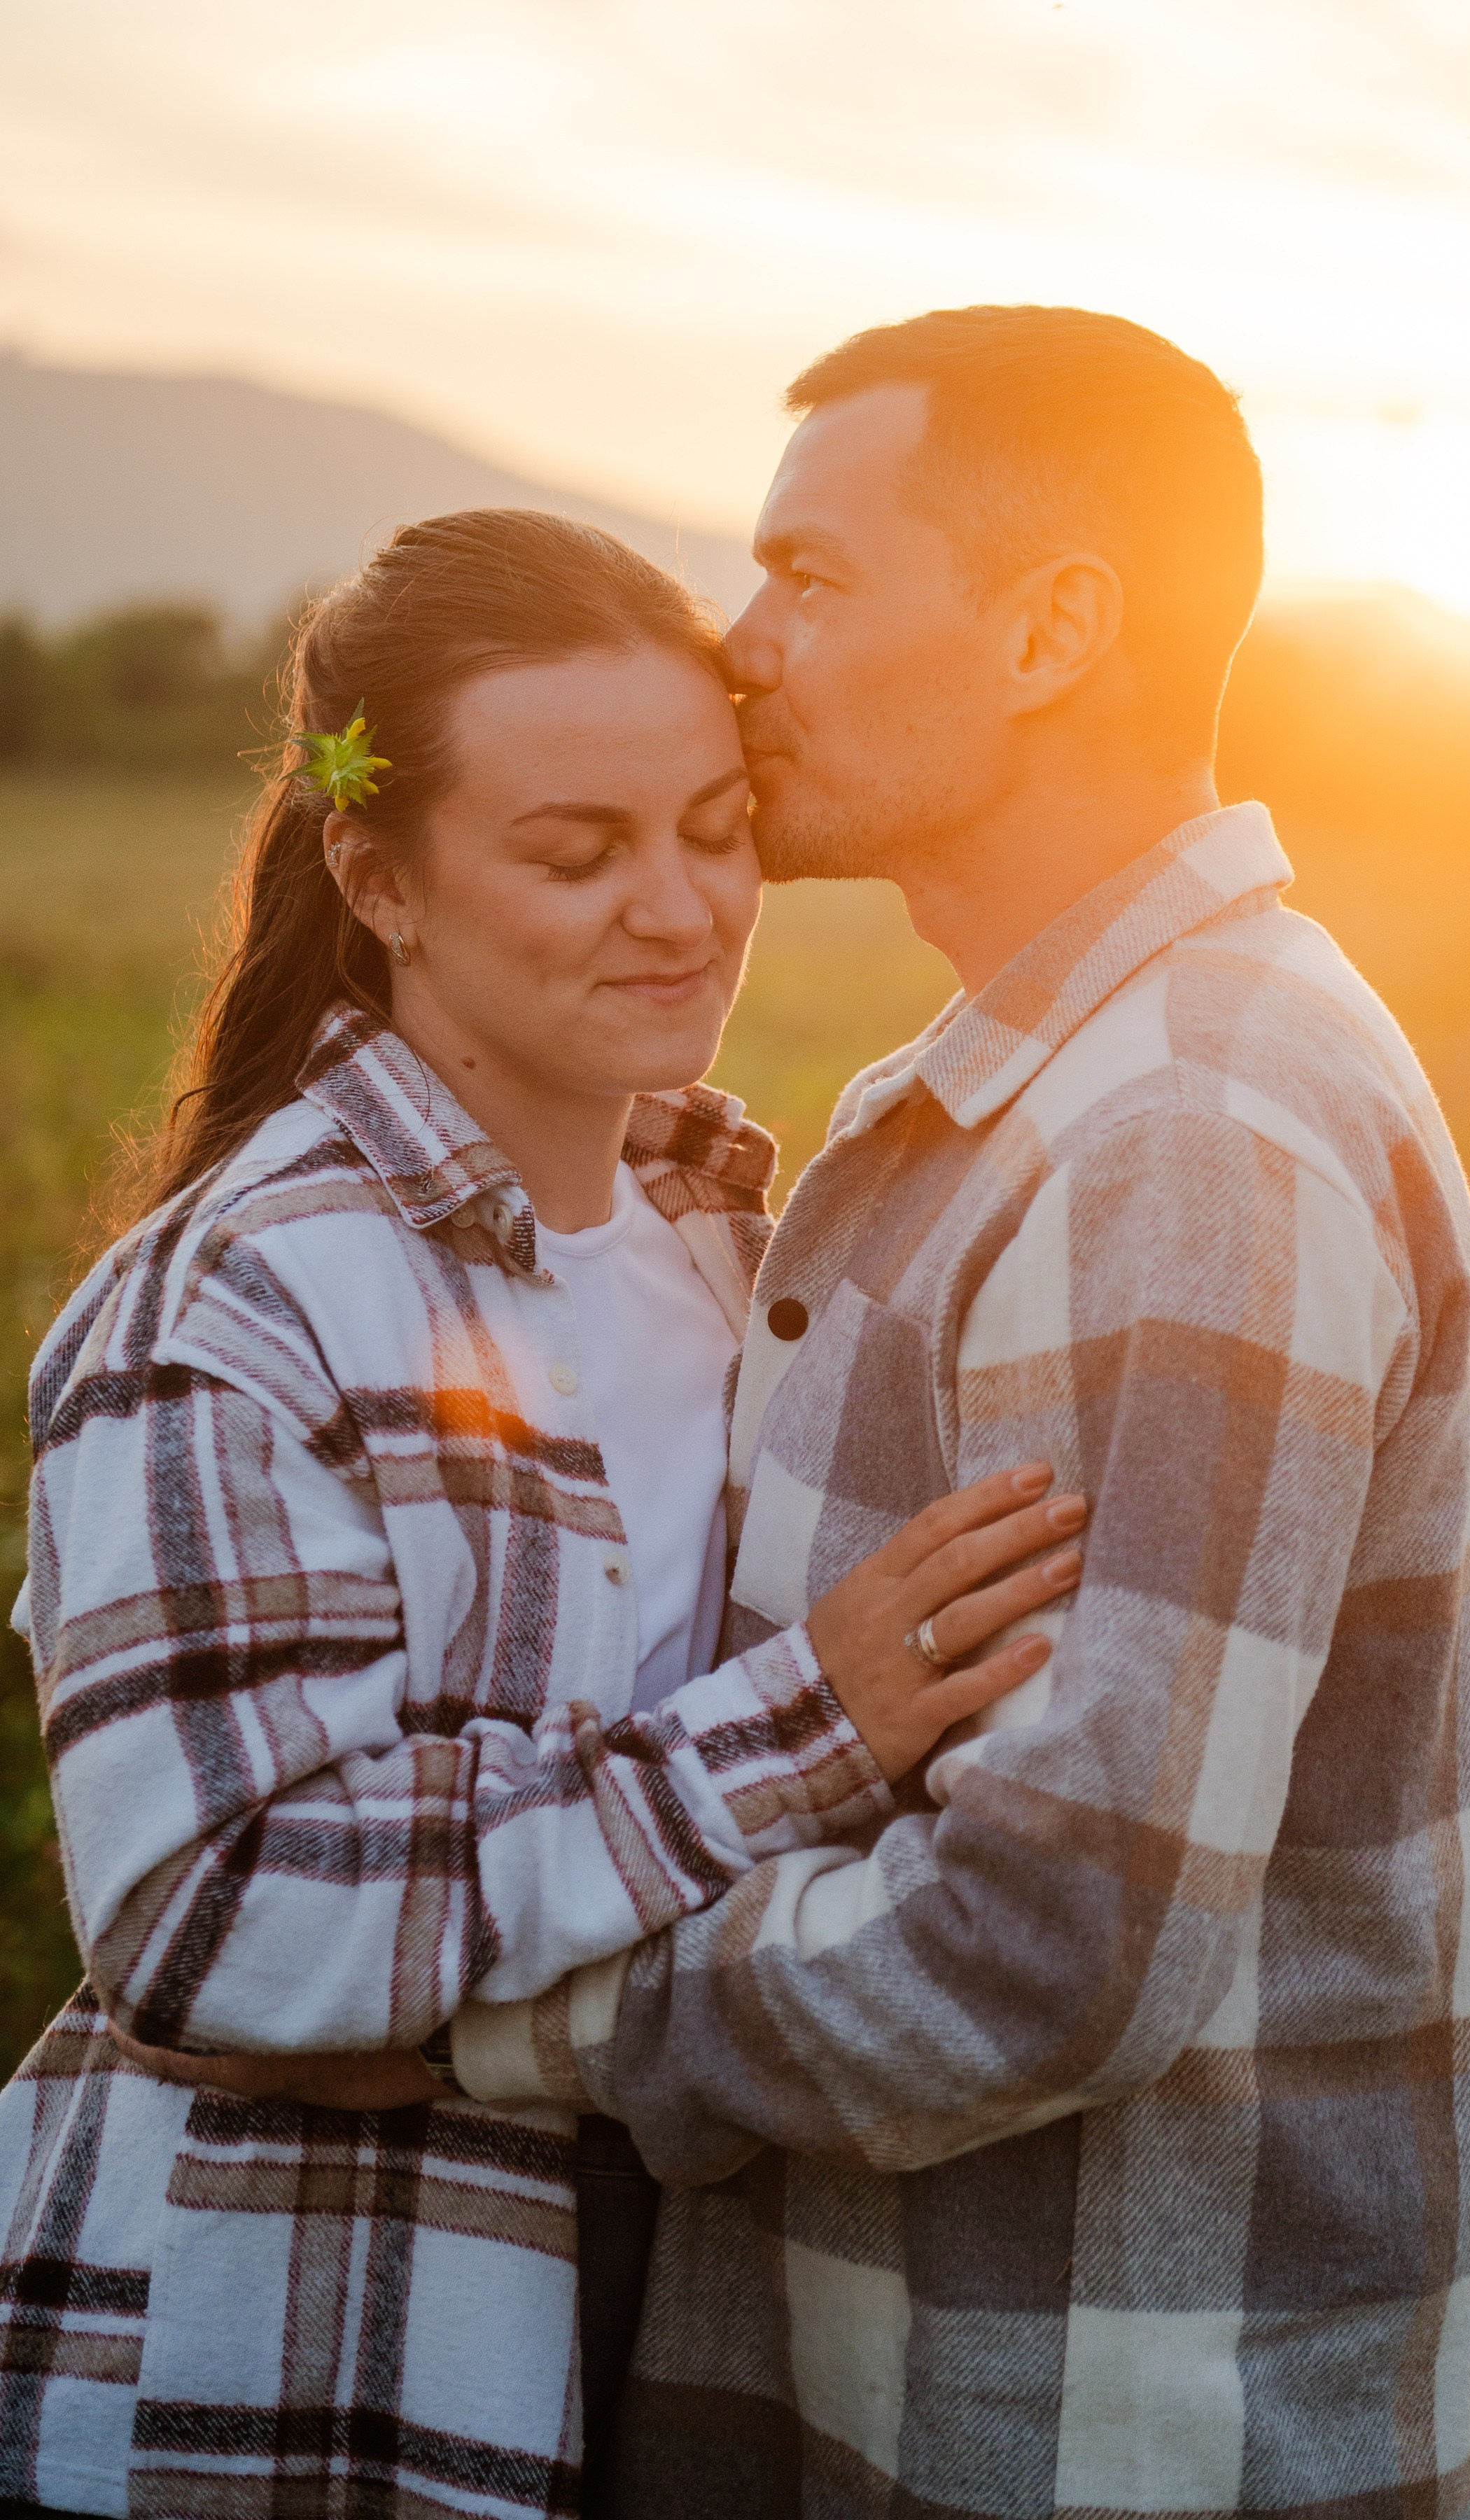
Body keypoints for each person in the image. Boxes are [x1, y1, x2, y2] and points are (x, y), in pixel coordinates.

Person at [429, 308, 1470, 2518]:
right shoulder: (1035, 1090)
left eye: (810, 580)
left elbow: (1043, 1946)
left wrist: (479, 2012)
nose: (739, 650)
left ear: (1050, 630)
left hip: (1100, 2442)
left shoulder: (1180, 1135)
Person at [0, 507, 1090, 2520]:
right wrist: (797, 1732)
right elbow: (201, 1913)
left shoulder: (732, 1244)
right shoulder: (234, 1305)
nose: (676, 909)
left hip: (668, 2338)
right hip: (301, 2349)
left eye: (711, 824)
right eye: (576, 853)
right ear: (377, 876)